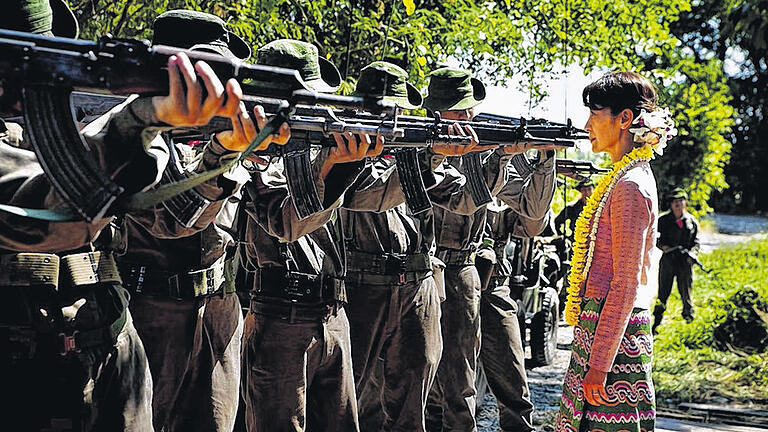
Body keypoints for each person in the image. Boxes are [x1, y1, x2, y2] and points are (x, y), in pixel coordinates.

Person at [0, 1, 251, 430]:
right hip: (26, 358)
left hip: (110, 337)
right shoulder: (97, 124)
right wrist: (138, 120)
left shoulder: (58, 122)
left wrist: (223, 150)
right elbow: (53, 215)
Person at [115, 11, 289, 432]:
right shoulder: (137, 126)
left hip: (219, 309)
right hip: (150, 310)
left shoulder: (229, 128)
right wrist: (227, 149)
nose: (218, 89)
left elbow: (286, 218)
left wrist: (334, 166)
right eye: (207, 72)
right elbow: (178, 217)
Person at [238, 39, 384, 432]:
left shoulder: (318, 148)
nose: (319, 110)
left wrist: (432, 154)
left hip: (334, 313)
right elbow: (286, 224)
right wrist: (330, 166)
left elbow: (382, 195)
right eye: (308, 100)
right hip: (279, 316)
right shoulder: (253, 154)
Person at [422, 67, 558, 432]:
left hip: (477, 273)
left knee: (498, 375)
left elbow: (532, 216)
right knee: (437, 382)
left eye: (468, 109)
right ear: (435, 112)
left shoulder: (482, 155)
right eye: (457, 110)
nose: (466, 117)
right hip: (429, 274)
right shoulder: (418, 151)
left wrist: (544, 160)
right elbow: (460, 200)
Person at [556, 71, 674, 432]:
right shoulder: (625, 178)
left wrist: (600, 365)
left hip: (615, 340)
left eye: (595, 113)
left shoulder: (630, 186)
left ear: (624, 119)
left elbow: (624, 285)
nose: (588, 123)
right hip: (606, 331)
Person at [653, 187, 700, 332]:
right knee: (663, 293)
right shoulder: (663, 220)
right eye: (674, 202)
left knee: (686, 293)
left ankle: (688, 322)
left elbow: (696, 243)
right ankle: (656, 323)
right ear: (671, 204)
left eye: (680, 201)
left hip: (684, 264)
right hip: (668, 262)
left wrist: (693, 255)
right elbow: (655, 238)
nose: (677, 204)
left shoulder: (691, 222)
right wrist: (663, 247)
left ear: (685, 202)